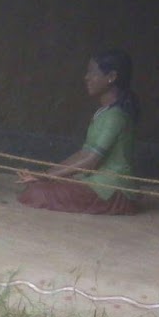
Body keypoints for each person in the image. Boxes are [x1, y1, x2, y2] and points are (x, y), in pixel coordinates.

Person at [16, 49, 140, 215]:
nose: (86, 77)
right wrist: (45, 175)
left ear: (111, 77)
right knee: (38, 187)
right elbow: (84, 154)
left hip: (111, 188)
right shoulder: (105, 113)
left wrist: (46, 176)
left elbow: (90, 161)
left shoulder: (115, 117)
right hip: (98, 182)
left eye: (92, 72)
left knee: (37, 193)